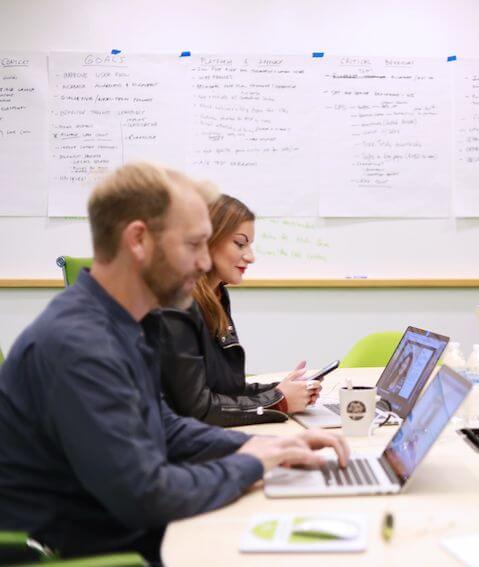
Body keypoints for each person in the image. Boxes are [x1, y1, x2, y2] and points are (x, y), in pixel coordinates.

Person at [0, 163, 348, 564]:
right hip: (94, 552)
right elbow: (148, 495)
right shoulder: (79, 345)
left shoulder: (131, 322)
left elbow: (164, 427)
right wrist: (253, 462)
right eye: (194, 244)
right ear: (139, 240)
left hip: (127, 530)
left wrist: (267, 445)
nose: (204, 263)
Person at [159, 194, 318, 426]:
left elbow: (224, 388)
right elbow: (196, 408)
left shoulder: (216, 295)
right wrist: (278, 401)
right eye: (240, 243)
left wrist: (282, 390)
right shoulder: (175, 304)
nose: (250, 257)